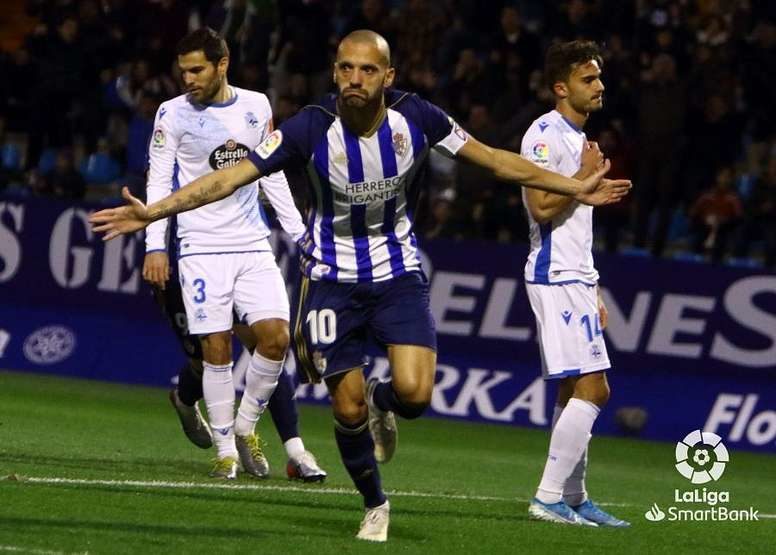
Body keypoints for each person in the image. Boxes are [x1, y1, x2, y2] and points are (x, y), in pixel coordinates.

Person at [90, 30, 630, 542]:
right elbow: (229, 177)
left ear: (387, 75)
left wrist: (575, 187)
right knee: (344, 413)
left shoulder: (418, 117)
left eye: (367, 69)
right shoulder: (308, 126)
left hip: (397, 278)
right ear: (335, 72)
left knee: (415, 396)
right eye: (346, 68)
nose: (354, 78)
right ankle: (375, 502)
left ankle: (383, 399)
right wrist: (154, 214)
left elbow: (494, 161)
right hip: (329, 283)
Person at [141, 27, 308, 481]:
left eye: (197, 70)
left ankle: (245, 427)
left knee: (276, 338)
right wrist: (156, 244)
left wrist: (301, 236)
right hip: (200, 246)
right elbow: (159, 181)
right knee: (217, 349)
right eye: (184, 71)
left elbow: (272, 173)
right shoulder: (171, 113)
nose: (188, 79)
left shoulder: (257, 106)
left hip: (253, 241)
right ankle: (225, 451)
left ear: (222, 64)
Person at [520, 40, 630, 527]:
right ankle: (547, 498)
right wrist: (584, 180)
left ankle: (575, 498)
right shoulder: (544, 137)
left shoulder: (578, 140)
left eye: (600, 77)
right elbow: (540, 209)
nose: (600, 86)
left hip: (577, 277)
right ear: (561, 87)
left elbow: (575, 226)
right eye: (589, 79)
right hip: (554, 276)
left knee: (573, 394)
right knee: (595, 389)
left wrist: (595, 286)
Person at [148, 215, 327, 482]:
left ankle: (296, 451)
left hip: (240, 254)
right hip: (190, 263)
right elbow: (158, 196)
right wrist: (155, 248)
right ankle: (184, 401)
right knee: (205, 359)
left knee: (267, 346)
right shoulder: (175, 173)